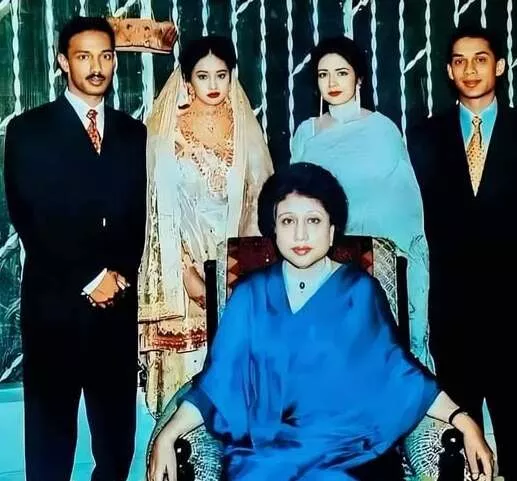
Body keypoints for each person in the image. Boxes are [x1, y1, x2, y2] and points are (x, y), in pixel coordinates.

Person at [147, 163, 493, 481]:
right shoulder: (249, 296)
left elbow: (397, 374)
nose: (300, 235)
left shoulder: (360, 293)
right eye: (288, 221)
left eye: (313, 221)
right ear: (273, 230)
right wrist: (167, 435)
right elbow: (219, 383)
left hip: (349, 457)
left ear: (331, 230)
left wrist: (463, 420)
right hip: (265, 459)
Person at [3, 16, 147, 481]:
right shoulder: (28, 130)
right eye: (84, 56)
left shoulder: (133, 133)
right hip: (54, 310)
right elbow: (30, 216)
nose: (96, 67)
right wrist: (91, 278)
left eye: (105, 56)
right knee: (50, 446)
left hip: (116, 310)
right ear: (64, 62)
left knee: (117, 444)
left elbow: (136, 219)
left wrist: (117, 277)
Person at [407, 25, 517, 481]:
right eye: (460, 61)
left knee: (516, 430)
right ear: (449, 71)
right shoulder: (423, 138)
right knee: (458, 438)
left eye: (480, 59)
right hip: (452, 309)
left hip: (512, 305)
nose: (470, 70)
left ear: (500, 66)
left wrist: (505, 258)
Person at [138, 35, 273, 417]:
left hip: (237, 273)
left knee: (240, 393)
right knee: (185, 395)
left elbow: (261, 200)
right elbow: (154, 209)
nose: (213, 85)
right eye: (203, 76)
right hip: (181, 276)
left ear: (232, 77)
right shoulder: (166, 134)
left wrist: (237, 271)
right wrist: (186, 274)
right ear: (187, 80)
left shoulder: (245, 132)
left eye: (221, 75)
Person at [290, 36, 431, 370]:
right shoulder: (306, 134)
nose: (332, 82)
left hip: (376, 267)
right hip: (319, 266)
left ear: (359, 78)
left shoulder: (382, 130)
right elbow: (293, 202)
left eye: (341, 72)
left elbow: (404, 209)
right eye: (323, 74)